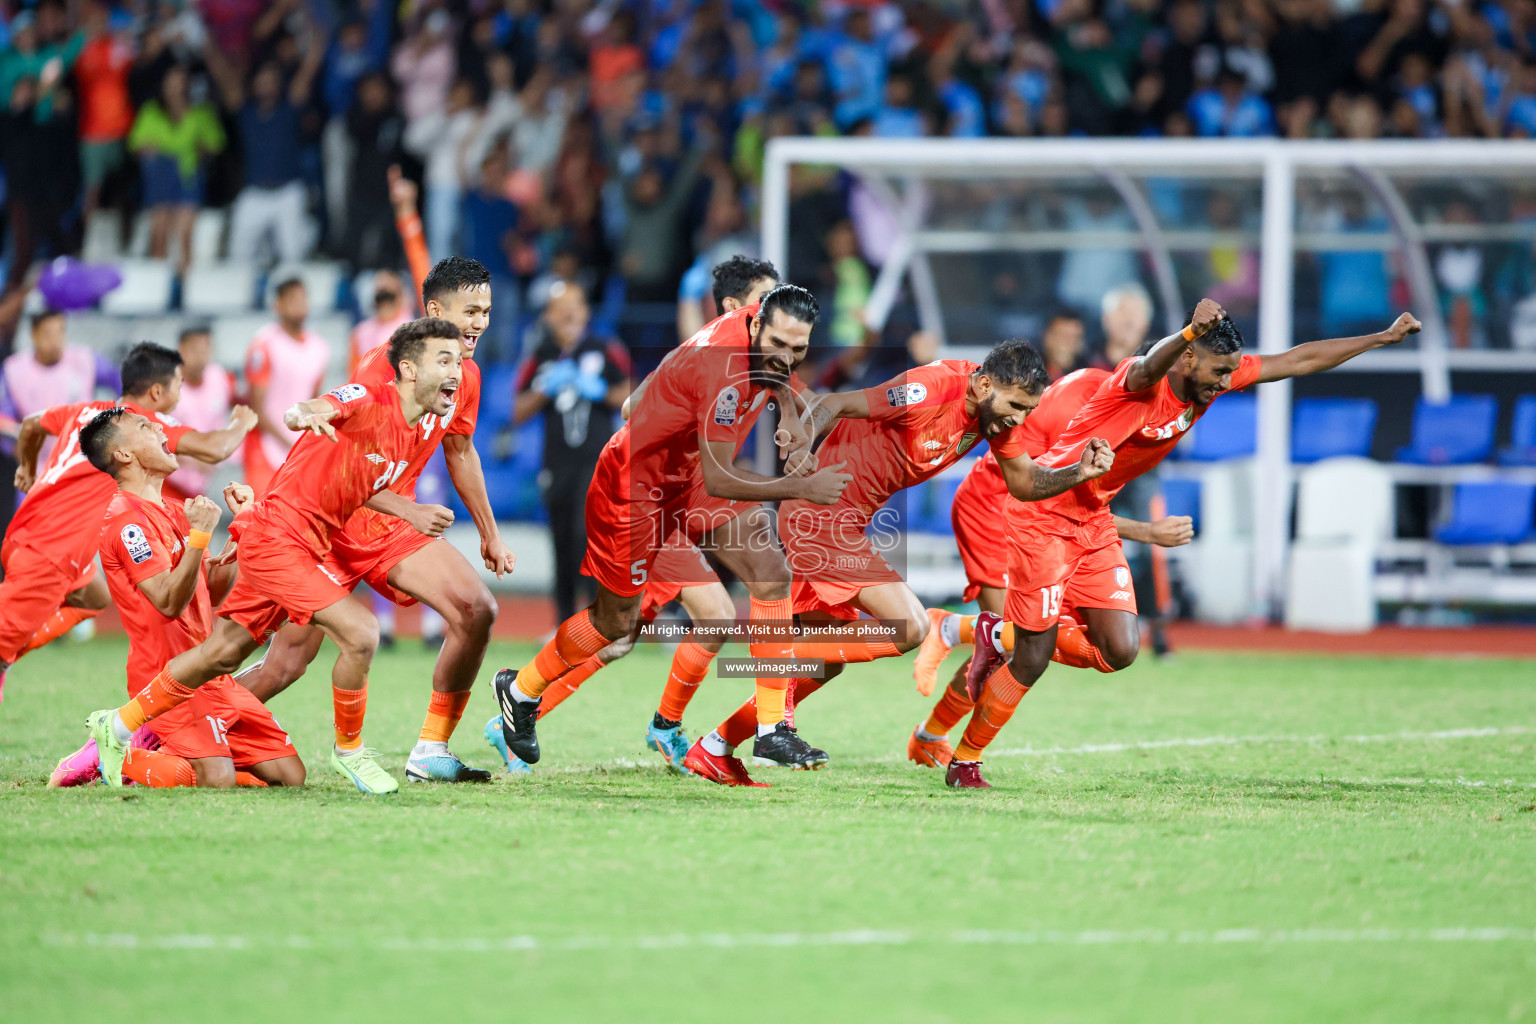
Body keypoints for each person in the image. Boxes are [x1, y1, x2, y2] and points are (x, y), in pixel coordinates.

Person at [943, 306, 1424, 789]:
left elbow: (1297, 361)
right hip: (1043, 520)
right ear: (1188, 356)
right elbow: (1151, 362)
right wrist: (1190, 329)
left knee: (1120, 649)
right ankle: (965, 760)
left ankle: (994, 635)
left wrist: (1380, 338)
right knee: (1034, 657)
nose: (1225, 382)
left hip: (1092, 521)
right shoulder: (1138, 383)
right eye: (1218, 371)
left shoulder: (1213, 378)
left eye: (1230, 373)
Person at [684, 341, 1115, 785]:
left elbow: (1024, 482)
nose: (1020, 420)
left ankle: (715, 747)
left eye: (1029, 410)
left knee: (825, 662)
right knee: (909, 626)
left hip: (849, 523)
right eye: (1016, 406)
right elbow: (834, 403)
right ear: (984, 383)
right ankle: (781, 657)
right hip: (821, 516)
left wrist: (1076, 474)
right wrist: (799, 455)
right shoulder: (930, 389)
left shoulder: (994, 416)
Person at [84, 318, 468, 795]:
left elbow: (364, 484)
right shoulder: (370, 397)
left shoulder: (411, 430)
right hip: (281, 539)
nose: (458, 370)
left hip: (298, 540)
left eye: (460, 358)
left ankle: (118, 727)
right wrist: (306, 412)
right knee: (362, 632)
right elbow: (317, 405)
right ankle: (350, 751)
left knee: (222, 654)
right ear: (408, 369)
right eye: (445, 360)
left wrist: (407, 509)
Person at [490, 285, 851, 779]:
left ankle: (771, 729)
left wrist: (786, 409)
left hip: (686, 480)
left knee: (770, 572)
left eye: (799, 348)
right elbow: (724, 476)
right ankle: (521, 690)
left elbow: (644, 399)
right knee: (615, 625)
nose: (788, 357)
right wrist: (801, 486)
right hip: (635, 486)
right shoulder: (723, 373)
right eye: (780, 345)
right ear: (752, 324)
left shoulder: (761, 324)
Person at [236, 259, 516, 785]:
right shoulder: (387, 366)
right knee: (285, 665)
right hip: (338, 520)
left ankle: (431, 749)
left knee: (476, 610)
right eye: (471, 310)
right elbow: (344, 440)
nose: (481, 321)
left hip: (389, 525)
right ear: (436, 311)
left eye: (487, 311)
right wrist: (306, 412)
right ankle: (185, 727)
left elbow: (460, 451)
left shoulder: (466, 376)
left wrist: (489, 532)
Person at [906, 365, 1195, 768]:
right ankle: (948, 666)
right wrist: (1146, 531)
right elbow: (1049, 497)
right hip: (997, 509)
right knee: (1016, 648)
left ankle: (933, 724)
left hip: (1051, 520)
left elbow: (1080, 504)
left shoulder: (1126, 400)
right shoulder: (1088, 404)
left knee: (1026, 644)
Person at [50, 412, 304, 789]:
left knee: (291, 776)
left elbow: (209, 593)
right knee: (217, 780)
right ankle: (111, 758)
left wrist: (239, 530)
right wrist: (200, 537)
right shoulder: (125, 520)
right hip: (164, 677)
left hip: (209, 674)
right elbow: (168, 602)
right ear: (123, 455)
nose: (160, 430)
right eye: (145, 428)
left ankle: (152, 746)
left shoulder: (173, 510)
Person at [0, 344, 255, 699]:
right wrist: (243, 421)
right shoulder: (144, 425)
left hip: (26, 529)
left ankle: (8, 653)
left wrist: (27, 469)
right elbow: (216, 448)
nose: (179, 396)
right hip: (54, 549)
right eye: (179, 385)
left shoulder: (88, 412)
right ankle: (5, 653)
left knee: (93, 596)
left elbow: (30, 426)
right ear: (157, 392)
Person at [513, 281, 631, 622]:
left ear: (586, 311)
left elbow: (632, 394)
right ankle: (562, 622)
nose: (568, 314)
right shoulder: (541, 355)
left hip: (597, 462)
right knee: (561, 540)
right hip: (557, 463)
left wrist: (596, 389)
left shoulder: (605, 349)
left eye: (575, 305)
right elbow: (517, 411)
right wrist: (544, 390)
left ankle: (594, 620)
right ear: (549, 315)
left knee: (588, 535)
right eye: (561, 308)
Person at [212, 39, 323, 266]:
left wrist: (315, 41)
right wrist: (208, 46)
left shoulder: (289, 109)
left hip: (288, 192)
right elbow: (224, 79)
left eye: (272, 80)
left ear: (279, 84)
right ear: (254, 83)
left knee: (293, 255)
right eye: (262, 80)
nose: (267, 84)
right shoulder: (247, 113)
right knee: (238, 255)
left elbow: (310, 67)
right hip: (254, 193)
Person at [126, 64, 225, 271]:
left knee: (185, 235)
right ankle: (157, 284)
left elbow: (216, 143)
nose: (175, 88)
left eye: (180, 83)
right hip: (160, 174)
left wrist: (202, 148)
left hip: (188, 173)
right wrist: (148, 149)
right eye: (171, 83)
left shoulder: (200, 112)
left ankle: (185, 289)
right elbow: (136, 142)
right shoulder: (151, 111)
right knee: (160, 232)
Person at [1, 309, 118, 474]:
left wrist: (117, 419)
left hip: (82, 462)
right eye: (48, 334)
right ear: (34, 335)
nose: (55, 340)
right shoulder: (14, 369)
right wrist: (13, 447)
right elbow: (4, 416)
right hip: (37, 466)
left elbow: (122, 381)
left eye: (60, 332)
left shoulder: (85, 360)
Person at [242, 278, 329, 495]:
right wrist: (286, 441)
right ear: (277, 304)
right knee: (259, 519)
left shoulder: (319, 348)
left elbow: (312, 400)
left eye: (302, 298)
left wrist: (301, 442)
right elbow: (256, 407)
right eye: (292, 299)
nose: (299, 304)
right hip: (265, 445)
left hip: (297, 445)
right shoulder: (264, 344)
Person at [164, 326, 234, 505]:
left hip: (201, 488)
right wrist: (195, 458)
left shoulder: (218, 378)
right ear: (180, 349)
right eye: (195, 349)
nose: (201, 356)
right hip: (166, 484)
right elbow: (156, 438)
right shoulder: (165, 387)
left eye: (206, 349)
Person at [348, 269, 411, 378]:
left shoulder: (413, 330)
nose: (385, 305)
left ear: (400, 296)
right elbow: (354, 374)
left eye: (389, 297)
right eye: (381, 298)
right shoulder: (361, 332)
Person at [1040, 311, 1085, 381]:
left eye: (1074, 337)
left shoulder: (1087, 375)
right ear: (1047, 337)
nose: (1066, 342)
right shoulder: (1029, 373)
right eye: (1061, 335)